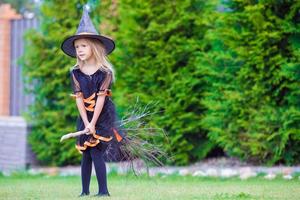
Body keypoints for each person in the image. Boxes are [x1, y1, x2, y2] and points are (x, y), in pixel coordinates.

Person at [61, 7, 123, 197]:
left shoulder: (105, 72)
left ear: (94, 47)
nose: (79, 50)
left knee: (96, 150)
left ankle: (103, 191)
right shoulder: (75, 73)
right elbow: (79, 98)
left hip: (102, 116)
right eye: (77, 47)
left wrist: (94, 123)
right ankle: (84, 191)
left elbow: (102, 99)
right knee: (86, 154)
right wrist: (86, 123)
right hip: (85, 117)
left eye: (84, 46)